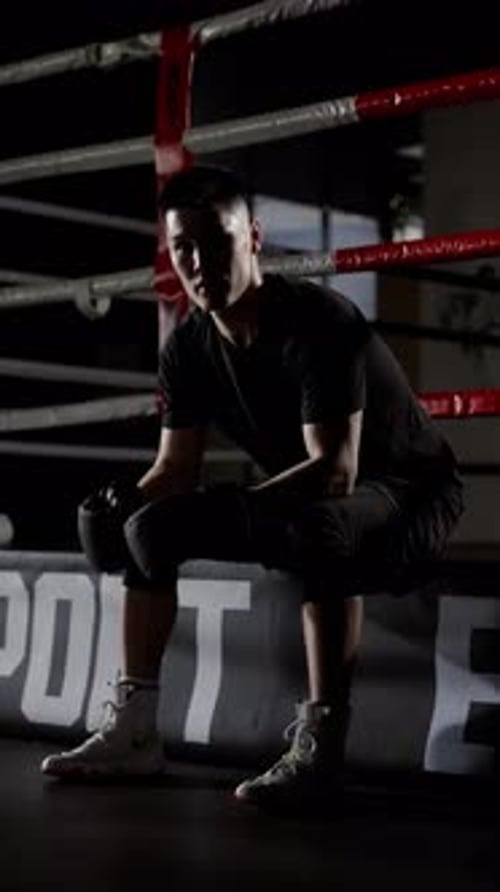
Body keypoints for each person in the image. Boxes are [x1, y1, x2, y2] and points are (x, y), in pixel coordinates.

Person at [41, 164, 463, 803]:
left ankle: (323, 742)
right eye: (183, 247)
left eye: (216, 242)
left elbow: (335, 469)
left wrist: (233, 509)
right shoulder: (187, 348)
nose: (199, 262)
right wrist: (127, 505)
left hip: (410, 495)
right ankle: (135, 728)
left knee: (316, 523)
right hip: (330, 493)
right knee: (149, 525)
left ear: (254, 238)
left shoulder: (320, 321)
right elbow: (174, 469)